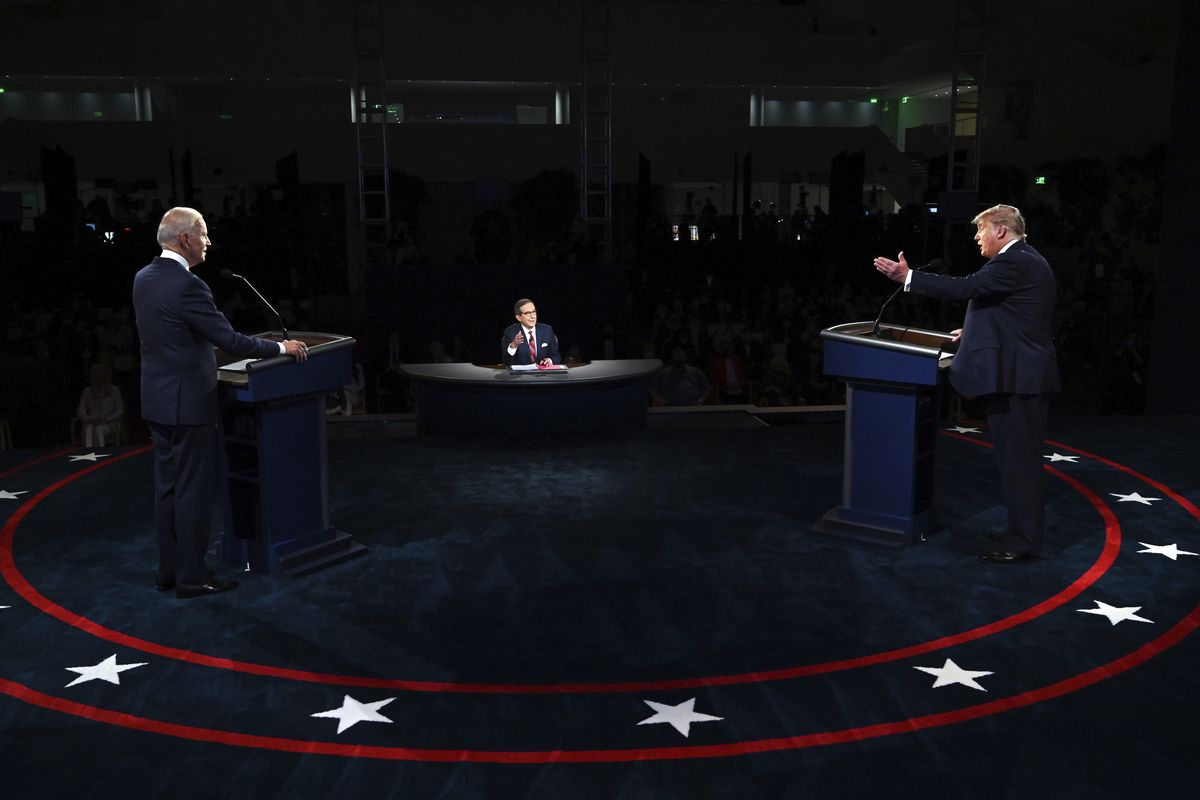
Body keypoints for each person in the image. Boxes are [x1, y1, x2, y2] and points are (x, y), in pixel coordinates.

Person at [133, 207, 309, 599]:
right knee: (191, 493)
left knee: (168, 491)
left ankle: (169, 572)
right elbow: (230, 340)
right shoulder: (188, 285)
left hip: (156, 401)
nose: (209, 242)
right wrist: (281, 346)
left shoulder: (142, 279)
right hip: (188, 404)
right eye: (204, 234)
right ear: (185, 240)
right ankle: (193, 578)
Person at [873, 204, 1059, 564]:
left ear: (1001, 230)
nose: (976, 237)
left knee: (1020, 464)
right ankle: (1018, 531)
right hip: (1017, 375)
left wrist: (908, 277)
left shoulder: (1014, 261)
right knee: (1014, 462)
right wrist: (972, 331)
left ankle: (1023, 542)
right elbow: (1013, 315)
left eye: (980, 230)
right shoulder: (1025, 258)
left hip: (1019, 379)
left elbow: (968, 287)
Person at [76, 362, 124, 446]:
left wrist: (106, 419)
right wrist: (88, 418)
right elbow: (81, 410)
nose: (99, 376)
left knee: (99, 429)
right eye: (96, 374)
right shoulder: (87, 391)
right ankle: (89, 453)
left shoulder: (114, 390)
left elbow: (120, 410)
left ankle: (100, 453)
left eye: (102, 373)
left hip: (109, 423)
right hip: (92, 421)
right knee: (88, 429)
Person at [502, 298, 560, 366]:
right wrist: (513, 346)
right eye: (528, 313)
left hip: (543, 374)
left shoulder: (547, 330)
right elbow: (507, 362)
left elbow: (556, 356)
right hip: (521, 375)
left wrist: (550, 360)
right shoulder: (510, 332)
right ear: (518, 318)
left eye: (534, 312)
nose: (533, 316)